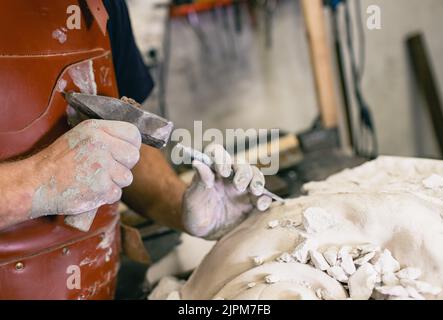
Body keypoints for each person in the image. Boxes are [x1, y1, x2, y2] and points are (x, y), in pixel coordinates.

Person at [0, 0, 271, 299]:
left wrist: (182, 205)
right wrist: (38, 182)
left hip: (97, 283)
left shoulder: (101, 5)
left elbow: (125, 144)